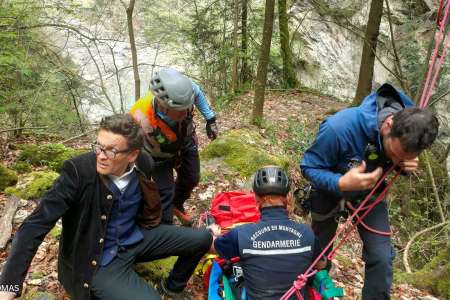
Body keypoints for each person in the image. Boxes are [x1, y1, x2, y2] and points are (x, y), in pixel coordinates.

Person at [0, 114, 212, 300]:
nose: (100, 155)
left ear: (132, 155)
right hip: (97, 260)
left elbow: (162, 192)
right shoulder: (77, 172)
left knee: (203, 238)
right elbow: (34, 225)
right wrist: (8, 286)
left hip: (135, 238)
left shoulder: (143, 164)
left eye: (111, 150)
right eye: (99, 146)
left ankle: (172, 288)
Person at [300, 83, 439, 299]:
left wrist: (404, 167)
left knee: (382, 258)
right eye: (394, 155)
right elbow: (308, 166)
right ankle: (312, 292)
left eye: (403, 159)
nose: (396, 161)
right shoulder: (339, 128)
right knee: (319, 256)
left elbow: (400, 155)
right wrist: (339, 183)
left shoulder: (412, 128)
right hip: (328, 190)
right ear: (388, 125)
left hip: (370, 195)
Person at [209, 166, 326, 299]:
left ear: (256, 198)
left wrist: (214, 234)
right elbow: (321, 264)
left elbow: (213, 247)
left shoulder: (241, 234)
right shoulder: (307, 233)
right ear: (288, 196)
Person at [130, 68, 218, 225]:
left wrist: (210, 119)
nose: (185, 114)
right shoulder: (139, 114)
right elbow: (127, 141)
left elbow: (197, 92)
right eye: (178, 111)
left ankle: (176, 205)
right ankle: (166, 228)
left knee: (191, 179)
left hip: (185, 141)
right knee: (165, 193)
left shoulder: (184, 92)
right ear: (162, 105)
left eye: (186, 107)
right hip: (158, 155)